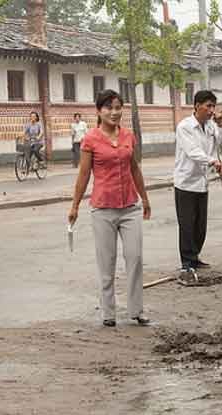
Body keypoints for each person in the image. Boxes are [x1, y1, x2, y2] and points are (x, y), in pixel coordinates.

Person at [68, 89, 152, 328]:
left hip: (130, 207)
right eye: (109, 108)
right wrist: (74, 206)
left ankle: (136, 310)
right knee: (107, 261)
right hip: (103, 208)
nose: (114, 112)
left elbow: (135, 168)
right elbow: (84, 175)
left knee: (134, 257)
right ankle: (108, 312)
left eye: (118, 107)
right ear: (99, 111)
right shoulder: (90, 140)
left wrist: (144, 198)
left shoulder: (128, 136)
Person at [173, 90, 222, 271]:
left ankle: (194, 257)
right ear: (197, 106)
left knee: (200, 226)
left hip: (202, 182)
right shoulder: (185, 127)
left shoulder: (211, 127)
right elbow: (192, 151)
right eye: (208, 106)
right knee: (187, 224)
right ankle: (187, 262)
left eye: (213, 106)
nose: (212, 110)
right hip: (186, 182)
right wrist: (212, 161)